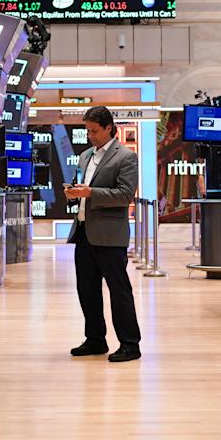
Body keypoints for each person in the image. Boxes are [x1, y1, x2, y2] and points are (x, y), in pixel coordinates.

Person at [64, 106, 142, 363]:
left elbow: (125, 195)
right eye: (87, 131)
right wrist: (74, 193)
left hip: (110, 236)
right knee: (87, 290)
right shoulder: (85, 155)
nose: (90, 136)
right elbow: (83, 188)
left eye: (94, 131)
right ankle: (95, 339)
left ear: (109, 127)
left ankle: (130, 344)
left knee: (119, 291)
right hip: (84, 232)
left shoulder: (126, 157)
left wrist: (90, 193)